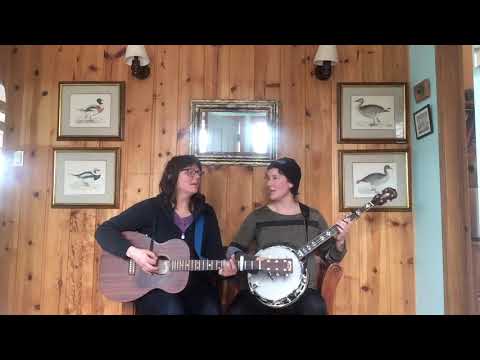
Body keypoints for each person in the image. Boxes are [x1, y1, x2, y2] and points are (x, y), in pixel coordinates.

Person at [95, 155, 237, 315]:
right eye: (189, 172)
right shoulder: (152, 208)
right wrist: (135, 254)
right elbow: (104, 231)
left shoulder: (206, 213)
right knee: (172, 310)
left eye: (198, 172)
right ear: (172, 175)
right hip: (155, 287)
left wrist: (224, 272)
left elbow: (215, 256)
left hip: (196, 287)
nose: (196, 176)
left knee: (211, 310)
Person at [226, 157, 352, 315]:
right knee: (237, 311)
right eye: (268, 178)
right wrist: (256, 262)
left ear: (291, 183)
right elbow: (232, 250)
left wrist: (340, 241)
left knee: (315, 308)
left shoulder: (313, 217)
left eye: (275, 178)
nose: (268, 184)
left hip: (303, 293)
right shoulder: (257, 217)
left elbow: (331, 257)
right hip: (264, 290)